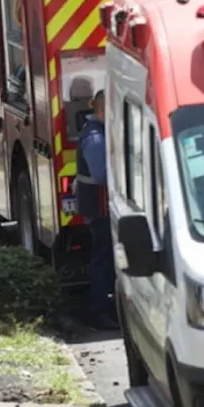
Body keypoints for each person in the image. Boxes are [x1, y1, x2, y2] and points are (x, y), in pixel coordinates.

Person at [75, 91, 116, 329]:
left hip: (101, 208)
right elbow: (101, 175)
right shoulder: (94, 138)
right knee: (104, 260)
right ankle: (100, 311)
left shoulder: (98, 133)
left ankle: (104, 309)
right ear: (102, 110)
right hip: (99, 209)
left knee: (107, 258)